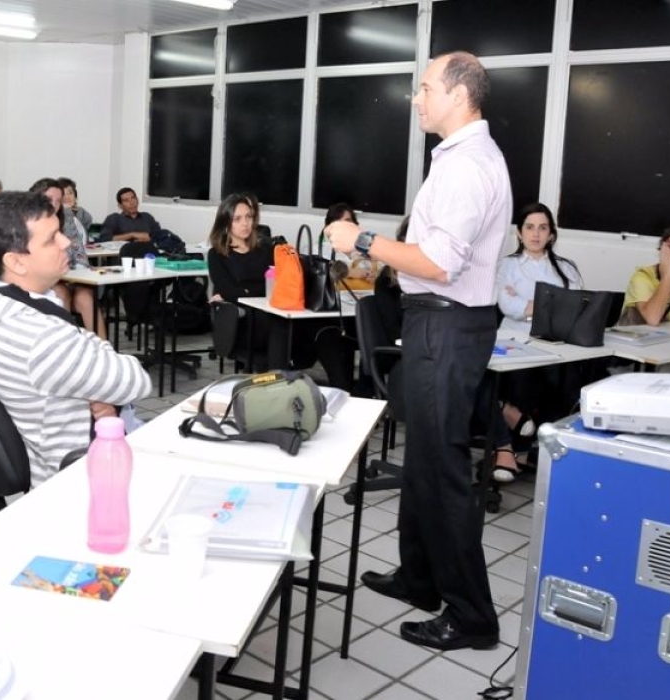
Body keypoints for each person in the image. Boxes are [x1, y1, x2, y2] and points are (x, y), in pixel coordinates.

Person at [325, 51, 510, 651]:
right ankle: (419, 577)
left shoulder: (466, 168)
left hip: (447, 325)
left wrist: (364, 240)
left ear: (458, 95)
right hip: (440, 321)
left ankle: (472, 617)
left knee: (443, 471)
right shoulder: (461, 157)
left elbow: (438, 263)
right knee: (424, 460)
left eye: (425, 87)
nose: (416, 97)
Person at [0, 192, 151, 487]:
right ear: (16, 261)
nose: (67, 242)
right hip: (83, 479)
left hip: (82, 452)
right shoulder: (39, 338)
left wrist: (96, 376)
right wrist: (100, 373)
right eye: (52, 238)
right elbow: (136, 381)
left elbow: (86, 348)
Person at [491, 202, 583, 481]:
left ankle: (536, 446)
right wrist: (551, 304)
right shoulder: (507, 265)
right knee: (523, 379)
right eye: (529, 227)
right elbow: (508, 306)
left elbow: (576, 306)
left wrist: (530, 304)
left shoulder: (566, 268)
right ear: (519, 233)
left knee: (569, 380)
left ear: (551, 234)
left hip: (556, 343)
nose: (536, 234)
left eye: (543, 228)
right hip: (514, 340)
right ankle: (515, 448)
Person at [207, 192, 315, 370]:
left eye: (249, 217)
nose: (245, 223)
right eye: (237, 219)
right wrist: (264, 288)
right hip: (243, 321)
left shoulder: (265, 248)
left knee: (315, 325)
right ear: (226, 222)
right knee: (279, 323)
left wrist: (246, 289)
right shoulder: (217, 254)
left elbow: (283, 282)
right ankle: (276, 382)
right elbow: (228, 291)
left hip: (272, 309)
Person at [28, 178, 106, 339]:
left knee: (86, 298)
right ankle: (64, 348)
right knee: (60, 294)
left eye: (58, 200)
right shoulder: (27, 220)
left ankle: (104, 352)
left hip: (70, 273)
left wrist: (78, 274)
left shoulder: (67, 215)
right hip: (45, 280)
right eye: (50, 199)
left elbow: (77, 249)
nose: (55, 204)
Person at [321, 203, 377, 291]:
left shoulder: (367, 251)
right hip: (335, 302)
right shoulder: (320, 250)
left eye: (347, 222)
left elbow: (389, 275)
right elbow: (317, 275)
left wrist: (377, 279)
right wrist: (348, 272)